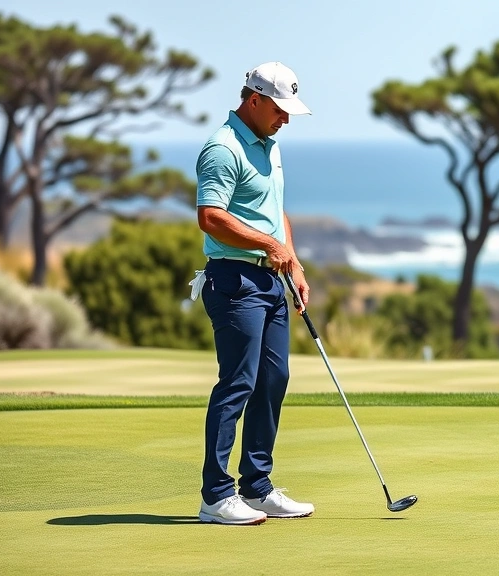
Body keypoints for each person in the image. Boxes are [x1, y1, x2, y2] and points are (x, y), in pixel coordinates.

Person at [193, 61, 314, 525]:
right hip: (234, 281)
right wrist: (269, 246)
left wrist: (292, 261)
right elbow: (210, 217)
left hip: (270, 281)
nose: (285, 119)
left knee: (272, 380)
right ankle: (216, 495)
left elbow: (274, 210)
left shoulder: (269, 145)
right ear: (255, 100)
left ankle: (257, 487)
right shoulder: (223, 149)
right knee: (238, 383)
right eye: (279, 110)